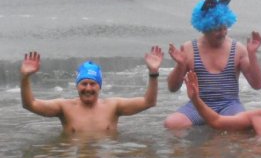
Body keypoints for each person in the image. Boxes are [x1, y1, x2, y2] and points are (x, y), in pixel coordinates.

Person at [164, 0, 261, 129]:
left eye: (224, 28)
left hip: (229, 105)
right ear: (204, 27)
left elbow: (257, 84)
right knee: (172, 123)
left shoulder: (238, 49)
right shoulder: (189, 48)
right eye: (217, 29)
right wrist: (180, 65)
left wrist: (252, 54)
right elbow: (172, 88)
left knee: (242, 126)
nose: (222, 33)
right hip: (198, 104)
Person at [19, 47, 163, 134]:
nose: (88, 88)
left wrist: (154, 72)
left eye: (93, 84)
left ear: (99, 86)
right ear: (77, 86)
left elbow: (149, 102)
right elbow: (30, 104)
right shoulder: (64, 107)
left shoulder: (113, 106)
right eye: (84, 83)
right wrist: (25, 77)